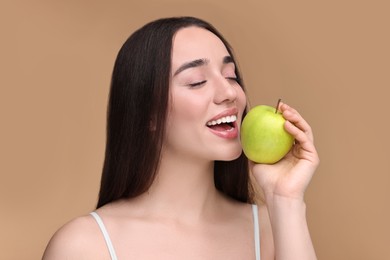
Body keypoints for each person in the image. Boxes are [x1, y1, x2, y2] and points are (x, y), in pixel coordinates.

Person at [43, 16, 319, 260]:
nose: (229, 93)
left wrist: (285, 199)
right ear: (148, 114)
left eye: (230, 75)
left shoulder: (273, 232)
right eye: (197, 81)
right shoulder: (84, 246)